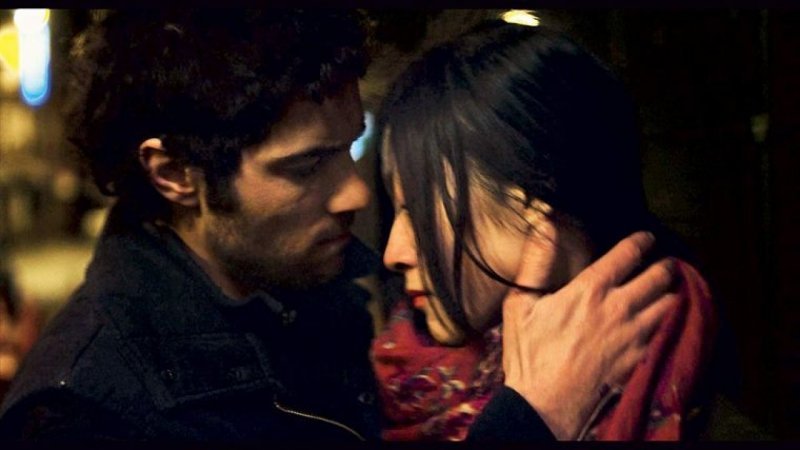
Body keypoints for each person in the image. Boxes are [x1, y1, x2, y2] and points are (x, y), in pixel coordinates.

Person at [0, 11, 676, 441]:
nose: (354, 192)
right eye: (306, 165)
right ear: (175, 172)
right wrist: (529, 422)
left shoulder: (316, 295)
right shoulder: (85, 413)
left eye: (350, 149)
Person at [374, 21, 718, 441]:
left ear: (537, 206)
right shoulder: (396, 374)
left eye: (419, 209)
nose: (393, 253)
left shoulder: (698, 397)